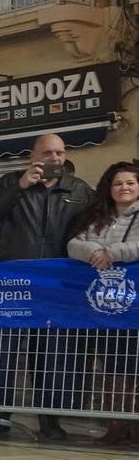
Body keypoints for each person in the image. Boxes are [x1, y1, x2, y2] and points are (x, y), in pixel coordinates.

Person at [0, 133, 95, 440]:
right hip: (15, 284)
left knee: (53, 356)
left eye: (60, 153)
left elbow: (98, 225)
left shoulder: (79, 190)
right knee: (5, 353)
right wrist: (21, 186)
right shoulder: (10, 182)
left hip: (57, 286)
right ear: (33, 155)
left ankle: (50, 421)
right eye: (48, 153)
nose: (55, 159)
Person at [68, 161, 139, 445]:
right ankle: (117, 424)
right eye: (118, 183)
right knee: (111, 364)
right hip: (104, 306)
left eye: (130, 183)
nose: (124, 187)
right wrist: (95, 251)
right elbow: (74, 244)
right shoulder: (96, 217)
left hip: (135, 305)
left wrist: (112, 253)